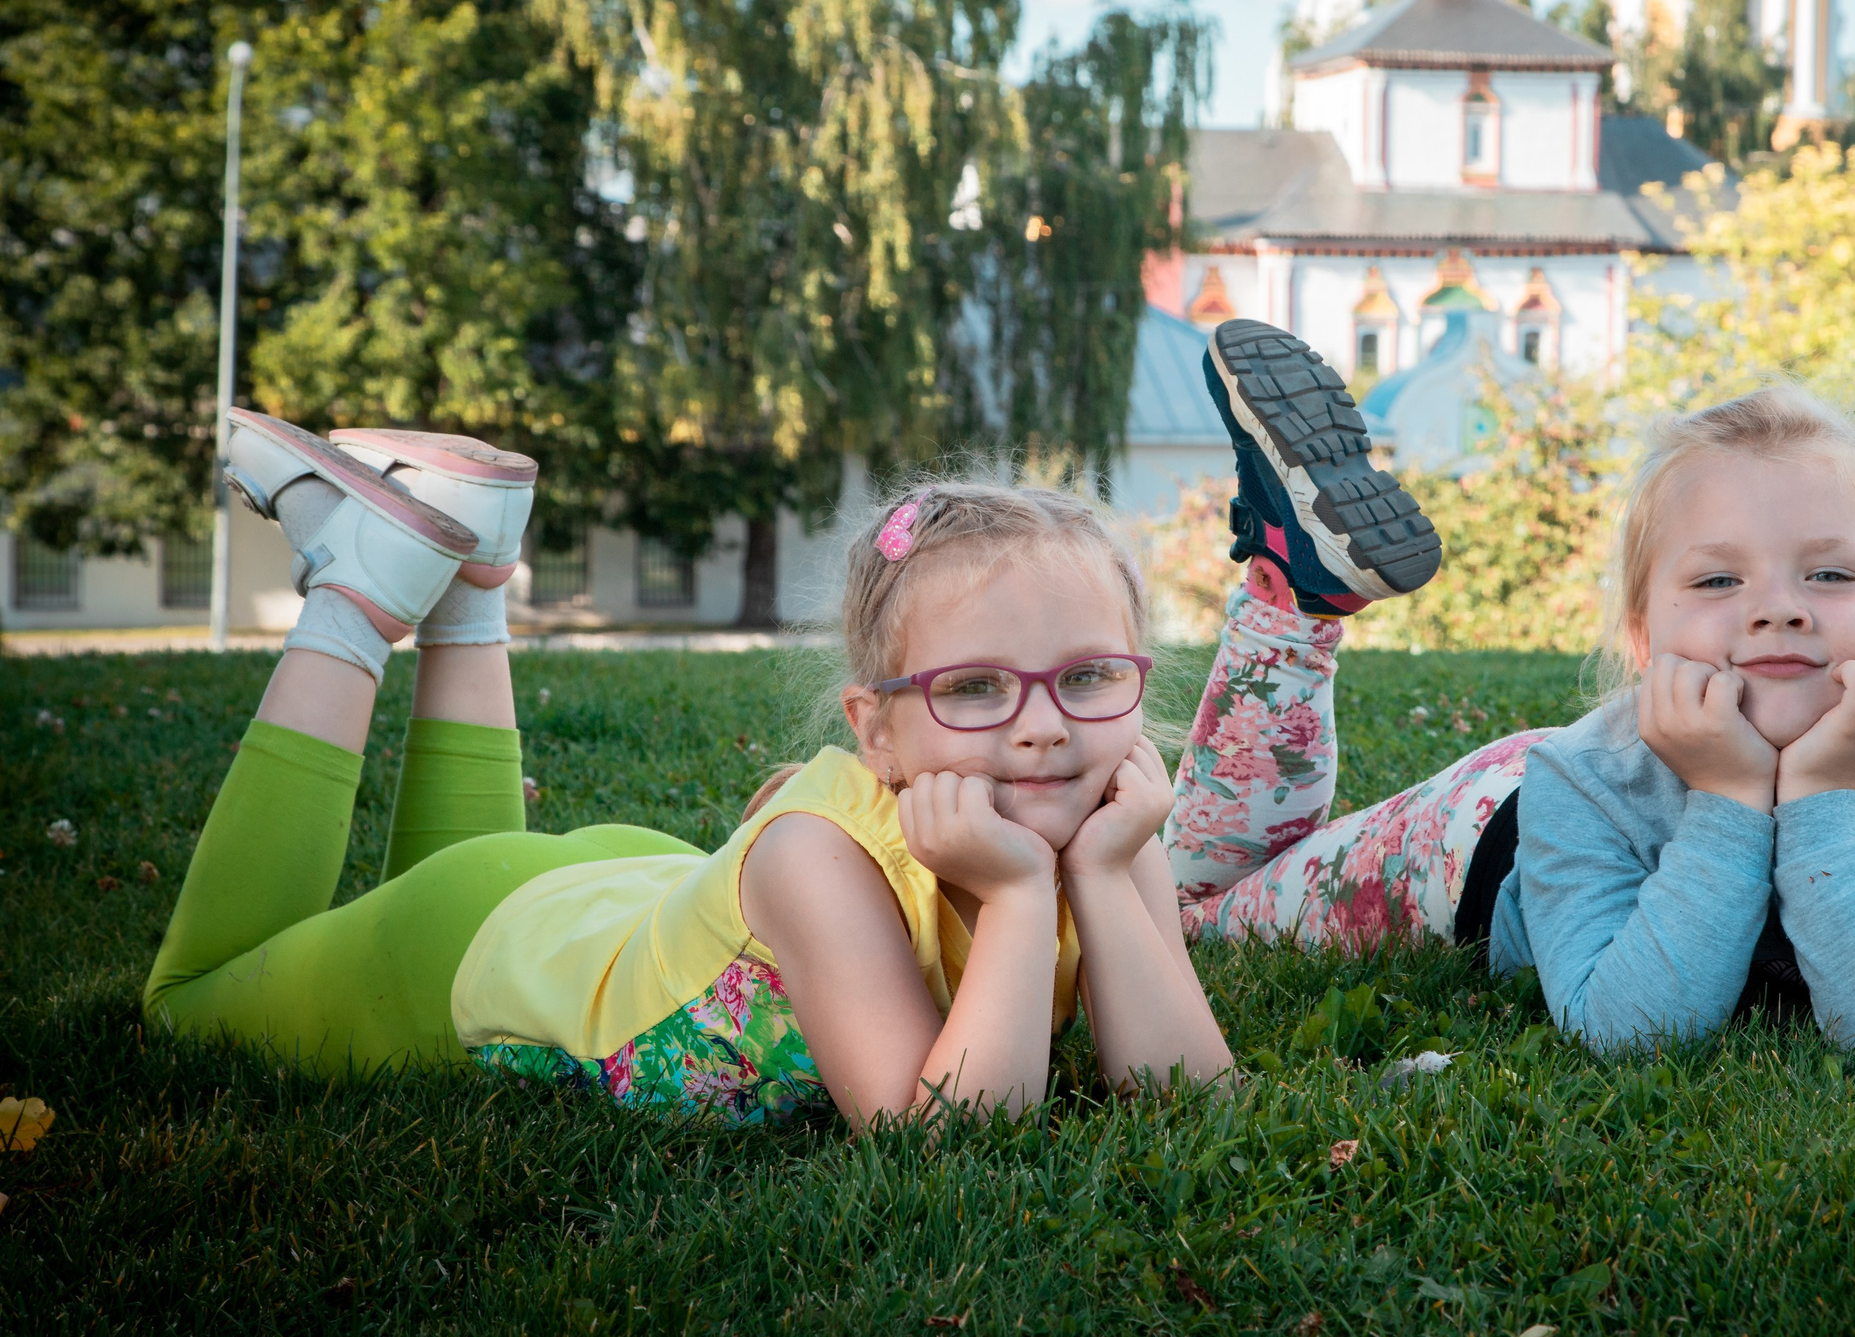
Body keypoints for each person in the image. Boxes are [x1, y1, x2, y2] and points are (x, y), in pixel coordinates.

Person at [144, 413, 1230, 1126]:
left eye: (1087, 678)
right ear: (878, 731)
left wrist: (1096, 873)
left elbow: (1186, 1096)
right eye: (976, 689)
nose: (1043, 728)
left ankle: (468, 567)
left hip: (633, 894)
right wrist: (1017, 889)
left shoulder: (1108, 823)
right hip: (487, 945)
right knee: (182, 1009)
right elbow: (948, 1137)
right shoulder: (819, 857)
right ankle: (356, 594)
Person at [1167, 321, 1855, 1060]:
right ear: (1641, 638)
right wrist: (1731, 798)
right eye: (1717, 581)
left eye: (1828, 575)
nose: (1777, 611)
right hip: (1486, 830)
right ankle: (1299, 591)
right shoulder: (1578, 780)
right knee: (1196, 912)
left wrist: (1824, 798)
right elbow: (1629, 1030)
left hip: (1729, 721)